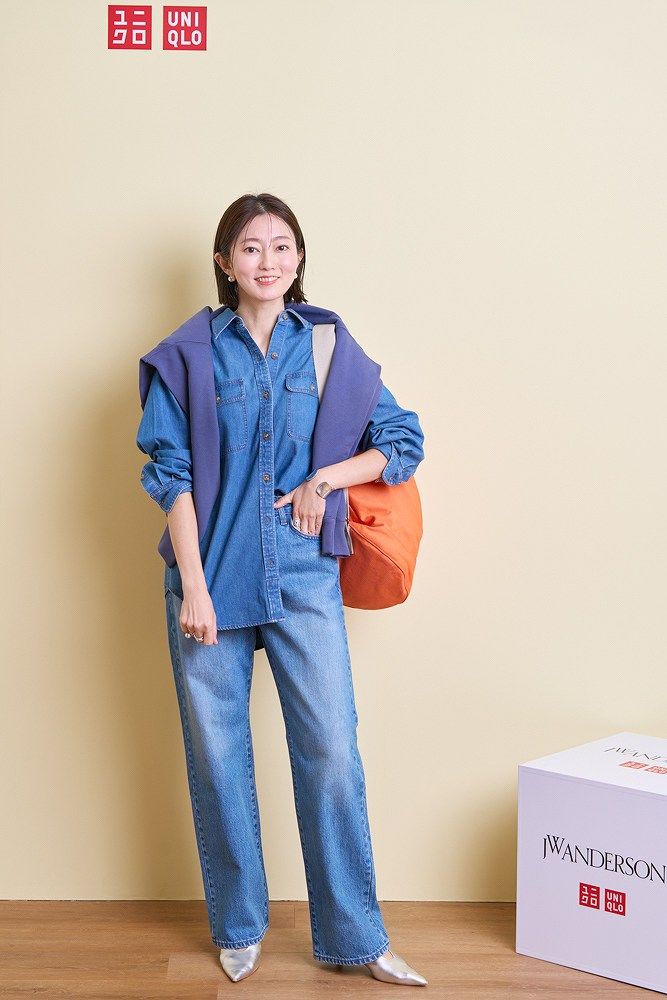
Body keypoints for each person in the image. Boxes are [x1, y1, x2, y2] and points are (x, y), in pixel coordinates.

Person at [136, 193, 427, 986]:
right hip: (210, 574)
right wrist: (195, 589)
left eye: (282, 246)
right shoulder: (189, 354)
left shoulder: (327, 345)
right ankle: (238, 926)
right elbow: (171, 476)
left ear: (299, 259)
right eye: (250, 247)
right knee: (217, 757)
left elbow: (400, 440)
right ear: (224, 262)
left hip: (303, 573)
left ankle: (355, 938)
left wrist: (325, 480)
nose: (268, 261)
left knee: (330, 751)